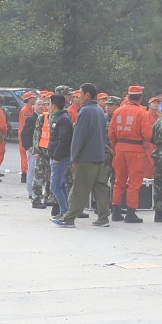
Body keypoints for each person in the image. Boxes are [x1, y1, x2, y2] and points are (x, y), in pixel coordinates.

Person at [53, 83, 110, 228]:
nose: (78, 97)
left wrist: (74, 157)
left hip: (86, 158)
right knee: (100, 188)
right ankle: (103, 218)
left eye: (81, 94)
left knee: (79, 188)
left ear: (87, 95)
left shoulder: (84, 112)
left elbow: (79, 137)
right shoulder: (99, 111)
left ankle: (69, 219)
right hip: (99, 157)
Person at [109, 85, 154, 223]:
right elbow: (147, 134)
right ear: (140, 98)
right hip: (136, 150)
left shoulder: (118, 111)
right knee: (134, 183)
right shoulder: (142, 113)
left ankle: (115, 211)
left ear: (128, 97)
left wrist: (116, 147)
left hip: (120, 149)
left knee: (119, 181)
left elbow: (111, 133)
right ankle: (130, 213)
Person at [47, 94, 73, 220]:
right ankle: (64, 211)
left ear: (54, 105)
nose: (48, 106)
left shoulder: (63, 119)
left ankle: (64, 212)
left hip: (60, 157)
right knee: (60, 184)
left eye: (49, 104)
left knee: (55, 185)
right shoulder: (58, 118)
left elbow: (63, 141)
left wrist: (56, 156)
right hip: (56, 156)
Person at [30, 94, 52, 208]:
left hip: (51, 153)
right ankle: (36, 199)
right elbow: (36, 135)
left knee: (49, 178)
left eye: (47, 105)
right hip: (42, 152)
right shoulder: (42, 118)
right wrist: (36, 151)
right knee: (38, 177)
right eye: (45, 105)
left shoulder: (55, 117)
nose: (46, 107)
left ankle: (47, 198)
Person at [18, 91, 36, 183]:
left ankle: (26, 174)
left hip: (26, 136)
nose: (34, 99)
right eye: (33, 98)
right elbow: (25, 126)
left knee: (26, 157)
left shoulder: (31, 110)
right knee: (25, 157)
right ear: (29, 99)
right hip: (24, 136)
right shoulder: (25, 111)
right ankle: (24, 175)